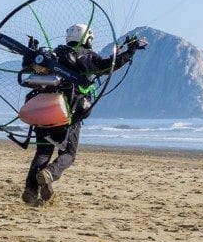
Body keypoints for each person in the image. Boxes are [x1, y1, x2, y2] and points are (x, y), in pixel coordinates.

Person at [21, 24, 146, 206]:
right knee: (69, 154)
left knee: (42, 152)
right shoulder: (85, 55)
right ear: (86, 38)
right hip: (67, 114)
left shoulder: (53, 55)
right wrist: (132, 50)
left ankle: (31, 191)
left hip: (43, 112)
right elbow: (109, 66)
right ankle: (49, 174)